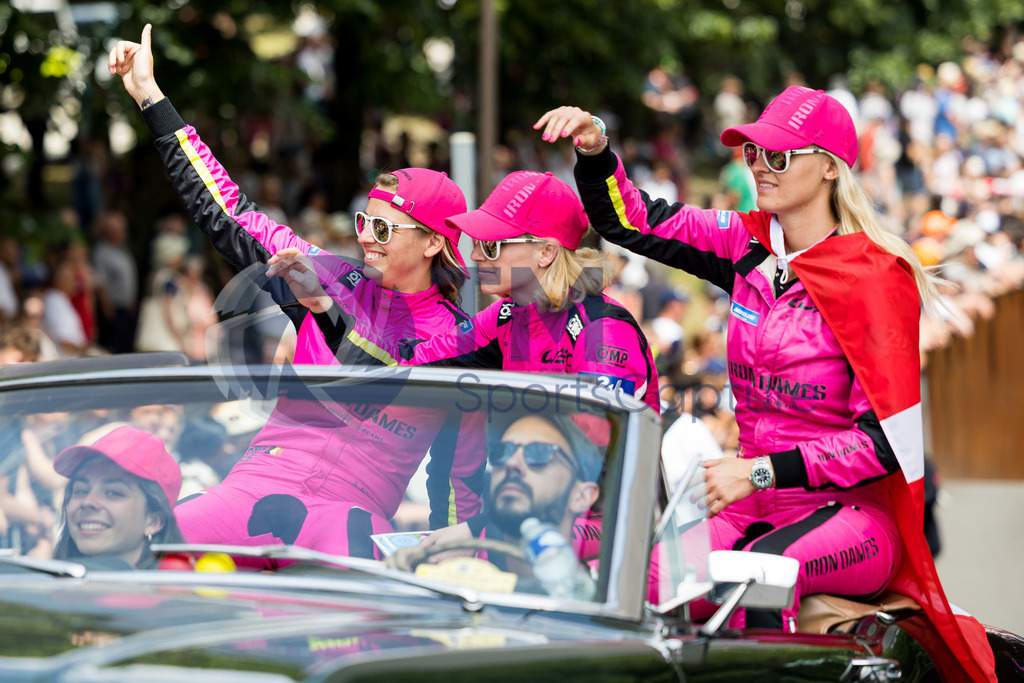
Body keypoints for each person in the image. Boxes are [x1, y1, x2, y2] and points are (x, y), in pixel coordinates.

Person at [535, 88, 994, 680]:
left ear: (830, 168)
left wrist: (758, 472)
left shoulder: (877, 277)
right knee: (623, 586)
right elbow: (631, 220)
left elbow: (886, 445)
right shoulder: (742, 242)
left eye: (778, 156)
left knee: (751, 579)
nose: (759, 166)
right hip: (747, 506)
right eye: (753, 153)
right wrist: (596, 149)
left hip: (849, 518)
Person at [108, 25, 485, 557]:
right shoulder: (332, 274)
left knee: (352, 589)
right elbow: (228, 211)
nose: (364, 239)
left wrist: (461, 562)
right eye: (363, 222)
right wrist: (151, 97)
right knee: (151, 553)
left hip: (352, 509)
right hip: (258, 480)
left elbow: (456, 471)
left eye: (383, 229)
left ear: (432, 243)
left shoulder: (465, 338)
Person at [289, 170, 660, 413]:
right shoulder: (503, 318)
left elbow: (598, 457)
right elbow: (397, 373)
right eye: (479, 241)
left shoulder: (603, 330)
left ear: (546, 252)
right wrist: (324, 309)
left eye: (493, 245)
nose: (476, 255)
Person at [417, 414, 604, 578]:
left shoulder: (605, 587)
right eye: (502, 452)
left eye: (539, 452)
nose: (511, 463)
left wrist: (473, 527)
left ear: (581, 496)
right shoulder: (457, 589)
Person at [52, 424, 185, 569]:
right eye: (80, 491)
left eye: (113, 493)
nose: (87, 502)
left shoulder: (175, 582)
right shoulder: (47, 578)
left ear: (154, 522)